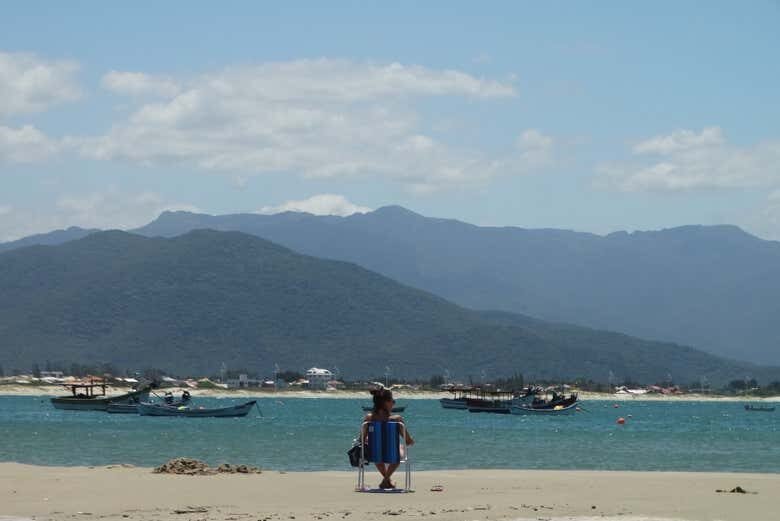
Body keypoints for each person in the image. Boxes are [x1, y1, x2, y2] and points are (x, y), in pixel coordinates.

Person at [362, 387, 414, 489]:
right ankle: (385, 481)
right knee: (400, 448)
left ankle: (387, 481)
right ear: (385, 403)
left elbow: (361, 439)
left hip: (374, 455)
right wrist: (411, 441)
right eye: (392, 401)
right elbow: (408, 441)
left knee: (377, 450)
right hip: (393, 456)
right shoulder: (397, 419)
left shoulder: (368, 418)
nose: (394, 404)